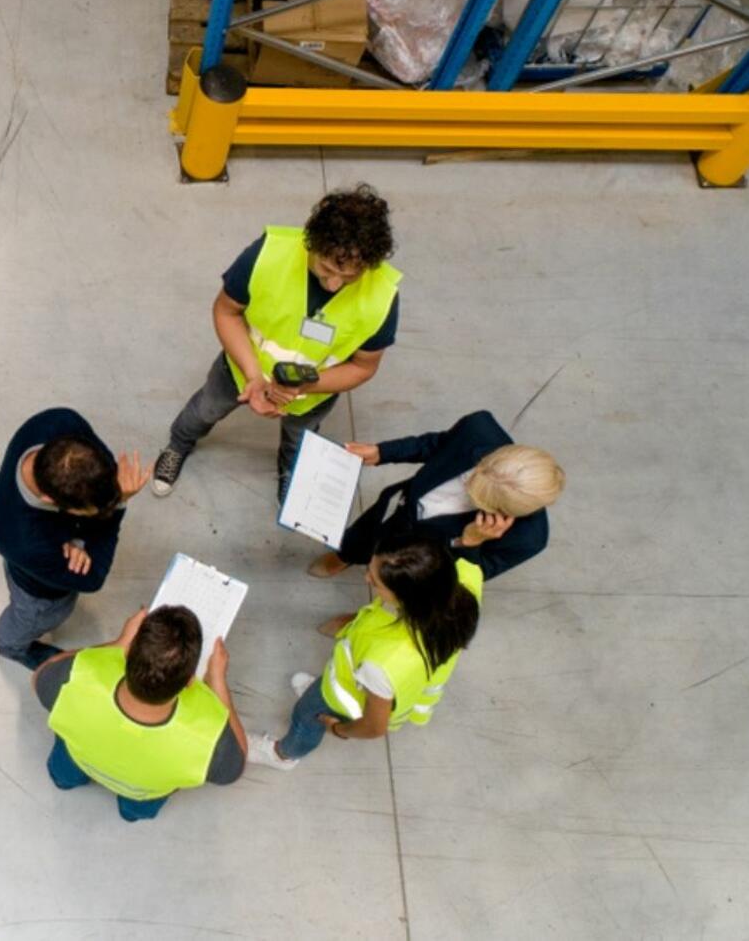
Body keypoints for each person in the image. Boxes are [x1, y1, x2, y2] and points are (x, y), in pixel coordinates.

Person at [152, 185, 402, 503]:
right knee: (204, 410)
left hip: (312, 394)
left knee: (299, 442)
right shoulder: (268, 254)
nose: (336, 283)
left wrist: (301, 388)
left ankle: (289, 472)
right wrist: (254, 376)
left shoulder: (383, 296)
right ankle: (178, 444)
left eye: (351, 276)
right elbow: (227, 312)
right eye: (327, 268)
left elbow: (364, 366)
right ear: (311, 243)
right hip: (241, 371)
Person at [246, 533, 481, 769]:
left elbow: (374, 726)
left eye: (376, 581)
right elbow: (471, 564)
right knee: (315, 698)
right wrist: (474, 538)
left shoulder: (382, 664)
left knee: (305, 717)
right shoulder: (463, 585)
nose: (366, 577)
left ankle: (284, 755)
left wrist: (337, 728)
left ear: (408, 598)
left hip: (340, 699)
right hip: (354, 677)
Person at [34, 605, 247, 821]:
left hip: (78, 758)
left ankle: (65, 781)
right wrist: (217, 681)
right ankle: (129, 813)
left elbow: (41, 674)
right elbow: (235, 767)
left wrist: (116, 644)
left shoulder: (78, 677)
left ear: (127, 654)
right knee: (136, 807)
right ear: (190, 681)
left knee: (64, 772)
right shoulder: (208, 737)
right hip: (143, 791)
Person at [308, 410, 565, 582]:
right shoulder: (479, 430)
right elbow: (436, 444)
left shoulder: (527, 539)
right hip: (401, 513)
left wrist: (470, 543)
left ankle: (362, 618)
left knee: (393, 592)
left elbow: (469, 580)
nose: (467, 489)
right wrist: (382, 452)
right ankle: (346, 556)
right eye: (472, 478)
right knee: (364, 535)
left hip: (426, 561)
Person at [0, 407, 151, 670]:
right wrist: (117, 506)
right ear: (50, 501)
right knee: (28, 620)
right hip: (38, 593)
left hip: (38, 556)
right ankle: (12, 647)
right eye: (89, 512)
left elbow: (103, 466)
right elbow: (93, 576)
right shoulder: (19, 538)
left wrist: (79, 540)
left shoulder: (58, 421)